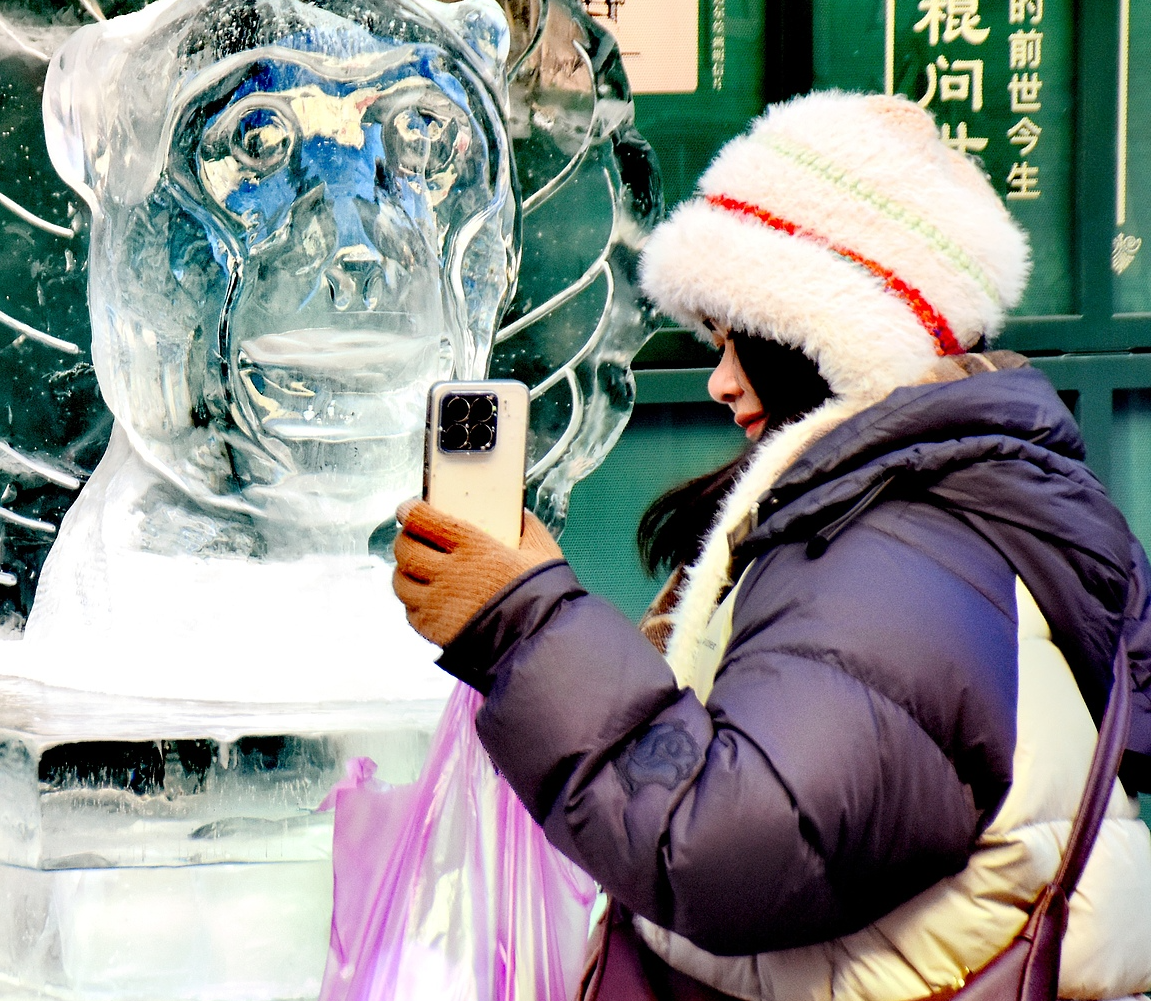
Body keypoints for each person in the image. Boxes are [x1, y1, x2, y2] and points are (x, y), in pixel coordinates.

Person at [392, 92, 1151, 1000]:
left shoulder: (900, 551)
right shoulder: (920, 516)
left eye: (737, 342)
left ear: (821, 335)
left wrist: (520, 623)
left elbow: (732, 845)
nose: (717, 382)